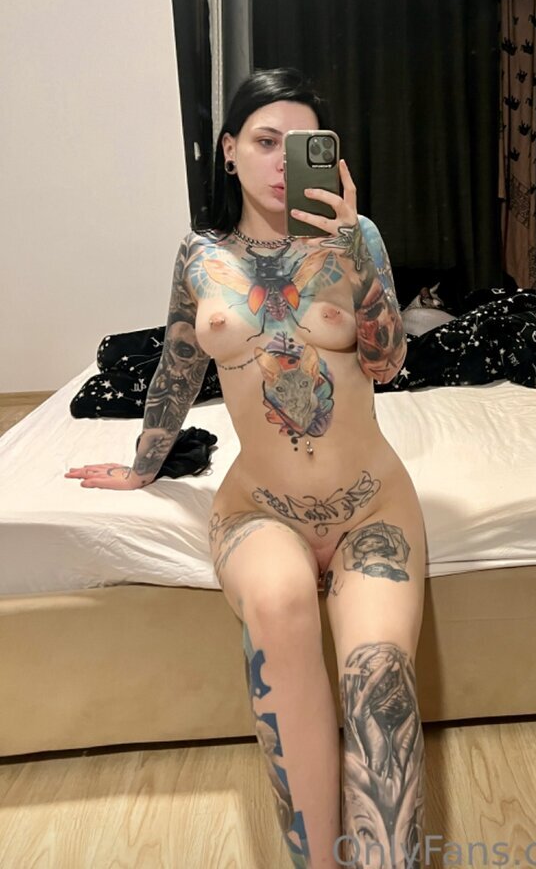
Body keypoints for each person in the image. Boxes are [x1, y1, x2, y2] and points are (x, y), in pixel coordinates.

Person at [65, 68, 427, 869]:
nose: (279, 163)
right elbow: (178, 365)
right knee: (278, 604)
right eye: (265, 141)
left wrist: (350, 250)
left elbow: (389, 362)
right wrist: (144, 465)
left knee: (378, 672)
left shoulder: (355, 238)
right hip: (262, 509)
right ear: (229, 150)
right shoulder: (200, 255)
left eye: (300, 146)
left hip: (372, 505)